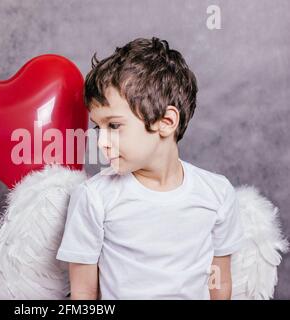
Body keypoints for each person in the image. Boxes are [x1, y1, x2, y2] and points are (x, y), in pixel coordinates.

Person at [56, 37, 245, 300]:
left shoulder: (217, 194)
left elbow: (220, 281)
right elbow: (84, 294)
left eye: (114, 125)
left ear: (166, 122)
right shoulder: (93, 198)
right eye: (98, 127)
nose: (101, 142)